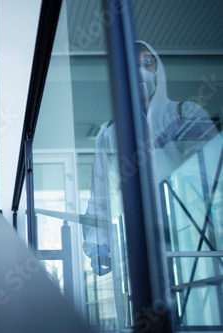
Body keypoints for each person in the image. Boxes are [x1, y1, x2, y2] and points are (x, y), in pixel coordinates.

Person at [83, 40, 219, 276]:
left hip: (191, 229)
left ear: (158, 70)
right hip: (137, 234)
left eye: (148, 63)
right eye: (134, 65)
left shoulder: (184, 114)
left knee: (198, 293)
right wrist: (98, 244)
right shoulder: (109, 132)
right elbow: (102, 193)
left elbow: (212, 169)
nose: (142, 71)